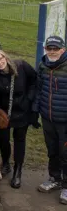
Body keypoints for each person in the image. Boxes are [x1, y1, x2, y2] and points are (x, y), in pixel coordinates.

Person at [0, 49, 38, 190]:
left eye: (1, 58)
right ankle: (6, 163)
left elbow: (34, 81)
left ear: (6, 57)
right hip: (4, 113)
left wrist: (29, 99)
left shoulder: (22, 66)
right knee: (3, 139)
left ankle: (18, 170)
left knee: (19, 139)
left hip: (22, 111)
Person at [34, 35, 67, 204]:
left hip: (65, 120)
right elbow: (39, 90)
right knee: (52, 150)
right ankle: (54, 178)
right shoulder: (43, 65)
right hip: (47, 117)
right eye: (49, 48)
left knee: (65, 153)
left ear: (63, 49)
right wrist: (36, 110)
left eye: (56, 49)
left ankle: (66, 186)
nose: (52, 52)